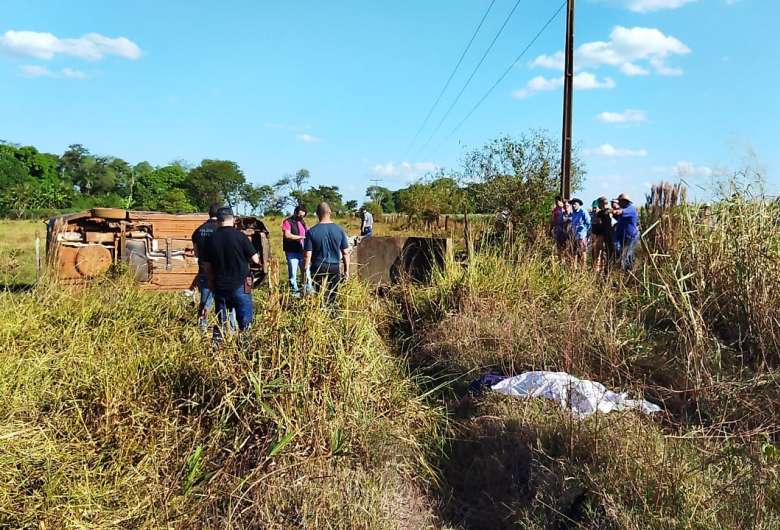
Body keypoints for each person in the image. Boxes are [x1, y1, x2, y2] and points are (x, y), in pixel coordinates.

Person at [201, 207, 260, 344]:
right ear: (233, 219)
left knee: (222, 320)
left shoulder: (210, 239)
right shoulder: (240, 236)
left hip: (220, 285)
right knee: (245, 321)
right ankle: (245, 349)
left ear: (218, 221)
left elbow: (207, 266)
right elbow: (255, 259)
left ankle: (219, 349)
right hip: (244, 283)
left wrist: (211, 282)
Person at [191, 203, 236, 332]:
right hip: (222, 272)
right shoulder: (222, 230)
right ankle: (228, 328)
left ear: (209, 213)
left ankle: (202, 327)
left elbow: (196, 252)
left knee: (205, 302)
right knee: (226, 302)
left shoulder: (198, 230)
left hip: (204, 270)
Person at [304, 202, 350, 304]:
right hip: (334, 266)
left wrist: (305, 270)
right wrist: (347, 270)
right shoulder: (339, 230)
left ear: (317, 213)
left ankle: (321, 312)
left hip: (318, 267)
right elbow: (345, 253)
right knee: (333, 294)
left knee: (320, 293)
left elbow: (307, 254)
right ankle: (332, 313)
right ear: (330, 212)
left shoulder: (311, 232)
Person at [281, 205, 313, 296]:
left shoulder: (303, 222)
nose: (301, 217)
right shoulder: (287, 222)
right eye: (299, 215)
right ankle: (295, 294)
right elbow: (287, 235)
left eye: (303, 216)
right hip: (292, 251)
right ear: (295, 213)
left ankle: (309, 291)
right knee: (293, 275)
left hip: (303, 251)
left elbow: (308, 232)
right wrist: (300, 237)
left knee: (306, 272)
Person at [612, 192, 640, 270]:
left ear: (624, 201)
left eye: (620, 201)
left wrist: (613, 211)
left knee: (625, 256)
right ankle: (631, 271)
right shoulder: (623, 210)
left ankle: (623, 274)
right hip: (623, 237)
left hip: (631, 237)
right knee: (629, 255)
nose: (619, 203)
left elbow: (620, 212)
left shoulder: (631, 209)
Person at [591, 197, 615, 273]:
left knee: (608, 254)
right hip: (602, 235)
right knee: (601, 254)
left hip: (608, 235)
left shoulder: (608, 212)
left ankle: (607, 270)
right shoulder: (601, 213)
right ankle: (602, 270)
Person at [569, 198, 591, 266]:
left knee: (582, 251)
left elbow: (588, 223)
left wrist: (585, 233)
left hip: (581, 236)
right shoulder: (573, 213)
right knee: (574, 252)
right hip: (574, 235)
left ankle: (583, 268)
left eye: (575, 204)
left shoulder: (583, 212)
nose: (573, 205)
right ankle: (574, 267)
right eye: (572, 204)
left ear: (579, 204)